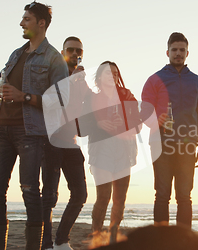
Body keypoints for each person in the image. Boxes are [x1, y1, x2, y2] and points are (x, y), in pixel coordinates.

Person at [0, 2, 69, 249]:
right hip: (1, 129)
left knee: (29, 190)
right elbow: (1, 86)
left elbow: (60, 100)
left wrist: (24, 96)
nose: (21, 23)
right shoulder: (16, 54)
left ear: (41, 23)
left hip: (30, 132)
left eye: (26, 19)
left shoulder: (54, 58)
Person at [141, 32, 198, 228]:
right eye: (174, 50)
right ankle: (161, 242)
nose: (178, 53)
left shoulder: (196, 81)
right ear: (167, 52)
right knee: (162, 195)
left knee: (185, 196)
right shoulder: (155, 79)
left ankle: (182, 241)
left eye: (182, 50)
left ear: (188, 53)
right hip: (161, 144)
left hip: (188, 146)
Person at [78, 61, 138, 245]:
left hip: (123, 151)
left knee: (120, 198)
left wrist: (125, 121)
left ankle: (113, 236)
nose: (111, 76)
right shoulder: (91, 99)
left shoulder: (128, 96)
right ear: (98, 78)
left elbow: (137, 124)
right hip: (101, 150)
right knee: (103, 196)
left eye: (114, 73)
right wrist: (98, 123)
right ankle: (96, 234)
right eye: (106, 73)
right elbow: (81, 128)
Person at [41, 36, 87, 250]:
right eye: (71, 50)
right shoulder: (54, 74)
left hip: (71, 141)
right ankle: (46, 243)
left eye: (79, 51)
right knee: (49, 194)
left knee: (80, 194)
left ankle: (61, 240)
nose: (75, 54)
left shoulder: (81, 80)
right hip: (51, 140)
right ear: (62, 52)